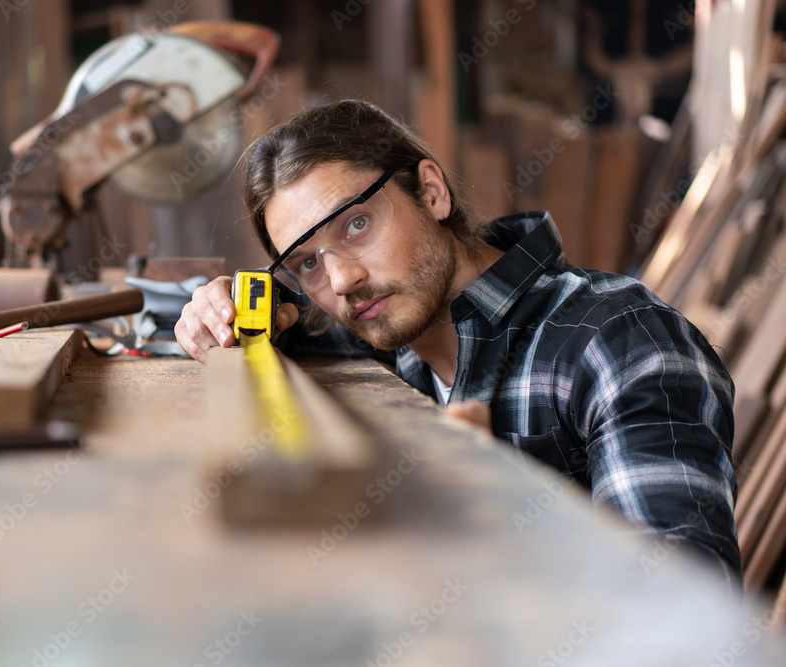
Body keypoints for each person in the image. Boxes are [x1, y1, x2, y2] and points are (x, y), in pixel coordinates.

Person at [174, 99, 740, 587]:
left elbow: (684, 617)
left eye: (356, 225)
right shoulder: (390, 337)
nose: (343, 282)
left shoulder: (619, 342)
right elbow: (286, 326)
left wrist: (498, 531)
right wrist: (226, 311)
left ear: (431, 191)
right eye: (307, 262)